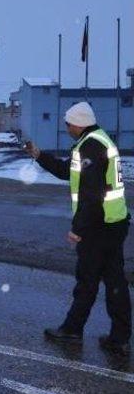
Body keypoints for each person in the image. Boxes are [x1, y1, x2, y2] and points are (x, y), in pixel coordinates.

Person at [26, 101, 131, 355]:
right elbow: (67, 172)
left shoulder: (91, 147)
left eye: (67, 123)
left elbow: (91, 195)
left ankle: (72, 330)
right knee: (115, 281)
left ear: (77, 123)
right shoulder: (97, 141)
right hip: (113, 222)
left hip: (98, 226)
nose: (66, 127)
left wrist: (78, 228)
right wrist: (40, 156)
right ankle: (120, 337)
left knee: (87, 280)